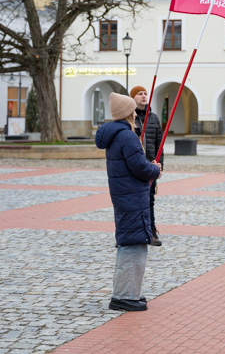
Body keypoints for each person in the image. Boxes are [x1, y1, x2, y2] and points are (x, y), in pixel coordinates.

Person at [95, 92, 162, 312]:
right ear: (127, 113)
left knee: (130, 242)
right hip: (132, 195)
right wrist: (155, 170)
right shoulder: (127, 136)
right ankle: (124, 296)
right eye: (133, 109)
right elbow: (139, 168)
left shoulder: (118, 135)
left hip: (126, 195)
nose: (136, 112)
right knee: (133, 244)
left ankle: (128, 291)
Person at [130, 85, 164, 247]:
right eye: (139, 94)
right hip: (134, 164)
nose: (143, 96)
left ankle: (151, 230)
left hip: (150, 164)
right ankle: (130, 232)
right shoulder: (129, 117)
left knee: (149, 199)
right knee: (132, 199)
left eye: (145, 93)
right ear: (133, 98)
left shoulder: (153, 118)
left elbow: (159, 143)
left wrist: (159, 165)